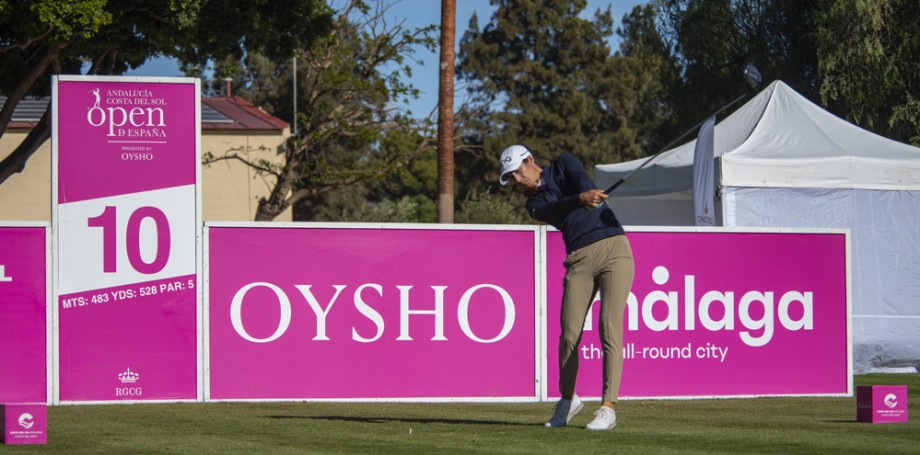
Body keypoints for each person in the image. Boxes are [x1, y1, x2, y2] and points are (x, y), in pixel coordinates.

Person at [499, 144, 635, 431]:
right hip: (579, 259)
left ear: (531, 160)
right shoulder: (534, 204)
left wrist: (588, 194)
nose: (517, 180)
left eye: (518, 172)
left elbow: (582, 182)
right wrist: (580, 199)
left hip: (615, 250)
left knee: (609, 327)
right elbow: (556, 208)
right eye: (511, 177)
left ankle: (608, 407)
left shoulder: (563, 163)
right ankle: (568, 399)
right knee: (569, 334)